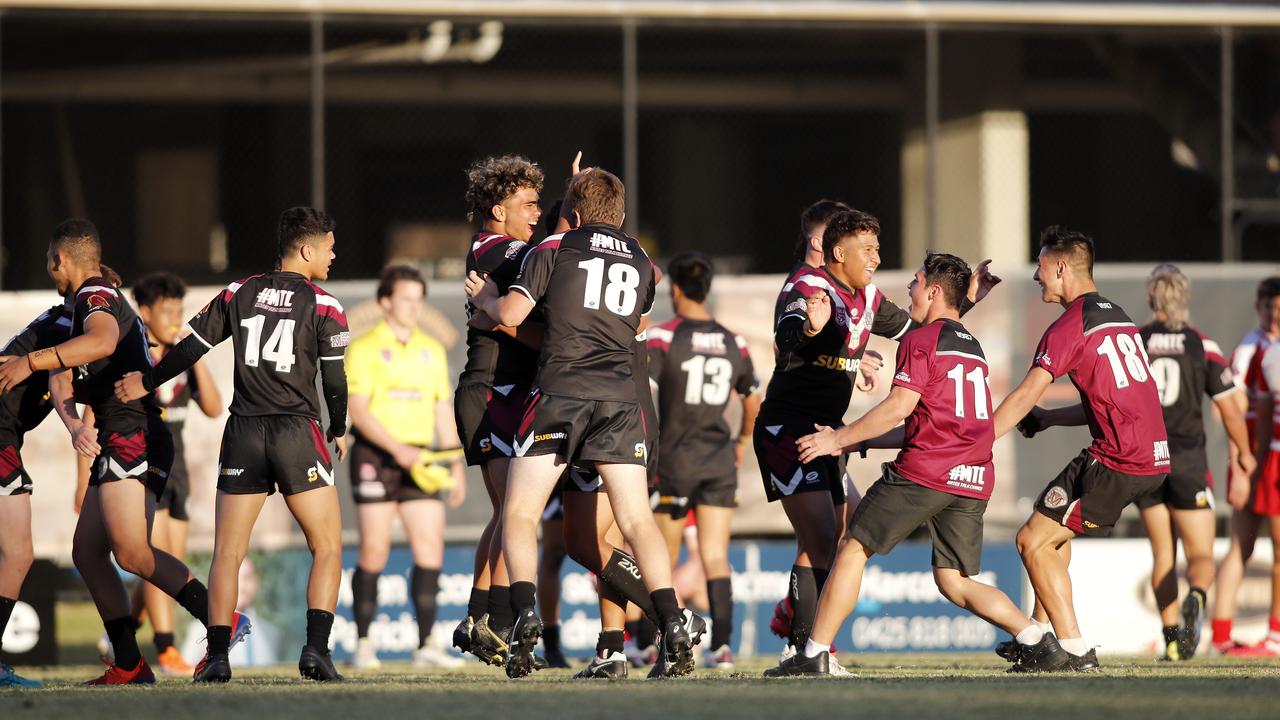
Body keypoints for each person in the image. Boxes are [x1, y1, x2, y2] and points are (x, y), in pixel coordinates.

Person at [767, 252, 1069, 676]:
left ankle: (814, 653)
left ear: (931, 291)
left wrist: (839, 436)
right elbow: (933, 423)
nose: (908, 289)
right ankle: (1038, 640)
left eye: (914, 281)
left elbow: (899, 407)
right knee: (955, 582)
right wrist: (862, 442)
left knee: (852, 548)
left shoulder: (920, 339)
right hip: (974, 475)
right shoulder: (972, 346)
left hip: (926, 472)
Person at [465, 168, 698, 679]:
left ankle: (525, 616)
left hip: (561, 392)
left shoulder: (552, 248)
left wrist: (485, 300)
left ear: (574, 210)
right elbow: (636, 322)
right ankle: (674, 622)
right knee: (637, 520)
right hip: (619, 398)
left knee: (521, 513)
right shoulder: (642, 260)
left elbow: (511, 310)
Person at [753, 208, 998, 669]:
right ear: (838, 252)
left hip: (830, 434)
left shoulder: (868, 297)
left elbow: (928, 325)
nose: (876, 258)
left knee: (836, 538)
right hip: (789, 429)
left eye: (877, 248)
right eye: (868, 249)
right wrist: (809, 327)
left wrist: (965, 298)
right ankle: (807, 646)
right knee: (827, 537)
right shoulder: (807, 287)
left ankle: (800, 631)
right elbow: (785, 339)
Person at [116, 207, 348, 683]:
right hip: (295, 432)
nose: (334, 254)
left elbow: (190, 346)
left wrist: (149, 380)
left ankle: (217, 656)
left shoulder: (239, 292)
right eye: (328, 246)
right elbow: (335, 380)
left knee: (228, 552)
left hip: (243, 432)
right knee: (326, 546)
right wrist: (338, 426)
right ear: (306, 250)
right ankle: (316, 652)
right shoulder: (325, 303)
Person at [0, 221, 235, 686]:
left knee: (119, 552)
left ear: (59, 262)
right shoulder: (76, 314)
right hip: (90, 434)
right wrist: (71, 426)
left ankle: (218, 622)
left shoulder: (93, 300)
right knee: (81, 553)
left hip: (131, 432)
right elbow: (62, 374)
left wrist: (35, 369)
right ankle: (135, 661)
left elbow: (85, 350)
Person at [992, 226, 1169, 671]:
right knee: (1048, 528)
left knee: (1031, 540)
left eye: (1040, 265)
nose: (1036, 275)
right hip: (1146, 453)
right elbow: (1112, 397)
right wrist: (1051, 419)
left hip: (1118, 458)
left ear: (1060, 267)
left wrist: (976, 441)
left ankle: (1071, 650)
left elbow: (1027, 392)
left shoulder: (1070, 324)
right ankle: (1041, 635)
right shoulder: (1118, 316)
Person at [345, 264, 466, 670]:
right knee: (374, 551)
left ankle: (428, 643)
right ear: (385, 301)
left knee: (430, 548)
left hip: (422, 459)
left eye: (419, 299)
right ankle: (363, 644)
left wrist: (456, 466)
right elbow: (358, 411)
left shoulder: (431, 350)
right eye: (406, 298)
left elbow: (441, 410)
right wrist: (396, 449)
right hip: (376, 457)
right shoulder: (363, 348)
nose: (414, 307)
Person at [647, 252, 760, 669]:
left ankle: (653, 641)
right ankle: (723, 646)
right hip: (717, 461)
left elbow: (641, 393)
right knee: (715, 554)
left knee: (661, 555)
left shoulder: (663, 337)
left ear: (675, 289)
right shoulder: (735, 341)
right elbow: (753, 401)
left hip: (674, 462)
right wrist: (742, 441)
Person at [1134, 264, 1253, 660]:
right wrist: (1245, 453)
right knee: (1200, 556)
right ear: (1184, 298)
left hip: (1147, 461)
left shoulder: (1135, 341)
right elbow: (1231, 409)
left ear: (1152, 298)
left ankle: (1171, 639)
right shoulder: (1202, 344)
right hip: (1187, 460)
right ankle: (1198, 597)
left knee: (1162, 555)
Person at [452, 154, 544, 665]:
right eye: (527, 204)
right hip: (488, 392)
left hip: (507, 392)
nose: (535, 213)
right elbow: (554, 262)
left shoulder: (509, 250)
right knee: (514, 515)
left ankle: (479, 619)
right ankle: (493, 622)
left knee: (509, 514)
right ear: (497, 209)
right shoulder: (499, 250)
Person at [129, 271, 224, 674]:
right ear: (145, 312)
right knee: (155, 554)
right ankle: (166, 648)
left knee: (170, 560)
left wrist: (192, 352)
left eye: (179, 311)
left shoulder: (182, 356)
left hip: (178, 460)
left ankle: (127, 621)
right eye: (166, 311)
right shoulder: (134, 351)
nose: (173, 318)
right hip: (145, 457)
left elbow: (215, 408)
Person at [0, 300, 73, 687]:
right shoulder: (74, 326)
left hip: (6, 436)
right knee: (18, 553)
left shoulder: (56, 318)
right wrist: (78, 427)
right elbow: (62, 381)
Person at [1212, 277, 1280, 655]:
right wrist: (1239, 463)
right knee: (1241, 545)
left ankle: (1269, 634)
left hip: (1266, 454)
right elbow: (1229, 406)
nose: (1273, 314)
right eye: (1268, 306)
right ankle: (1222, 637)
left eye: (1279, 307)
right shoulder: (1250, 349)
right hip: (1253, 456)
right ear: (1258, 307)